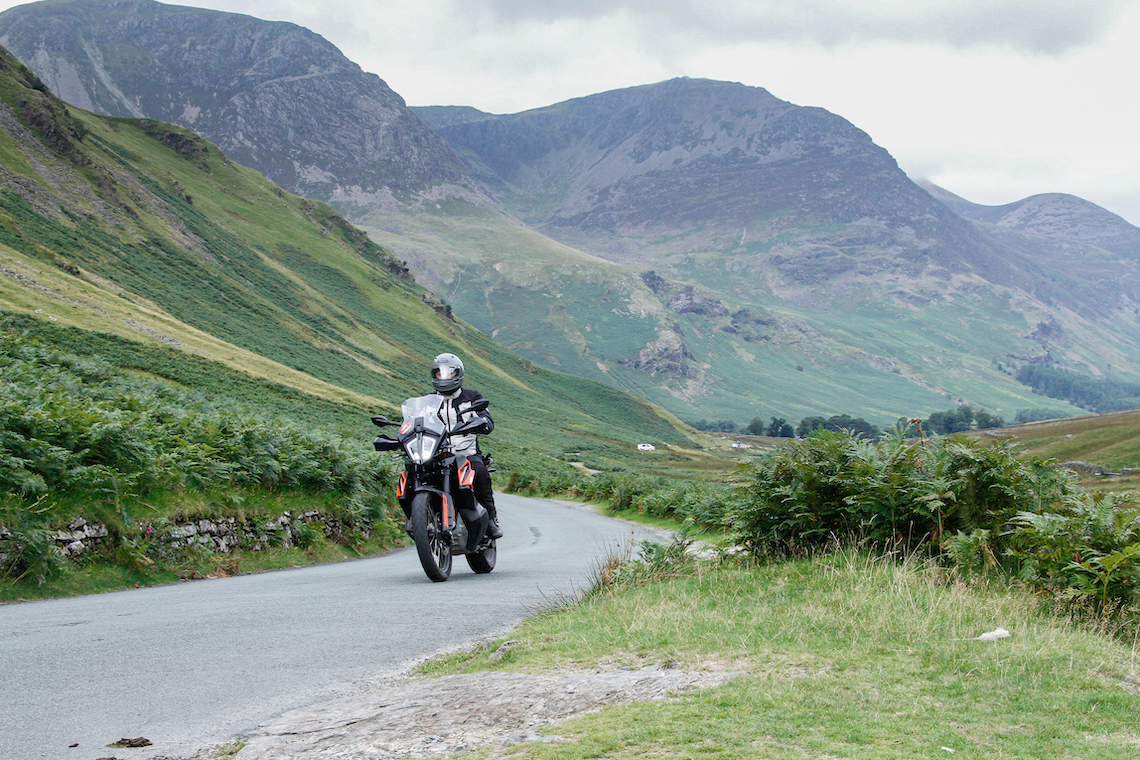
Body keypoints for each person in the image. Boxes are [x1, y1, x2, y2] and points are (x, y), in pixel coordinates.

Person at [430, 352, 503, 539]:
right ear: (434, 375)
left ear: (458, 374)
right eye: (440, 373)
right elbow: (416, 421)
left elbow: (486, 418)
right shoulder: (429, 401)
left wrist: (483, 423)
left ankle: (491, 519)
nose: (444, 377)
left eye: (449, 373)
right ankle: (422, 516)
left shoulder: (471, 397)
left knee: (479, 472)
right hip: (437, 454)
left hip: (466, 452)